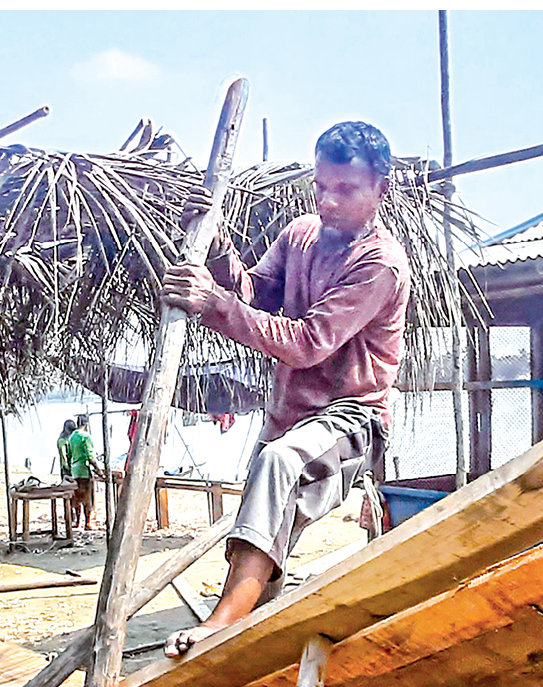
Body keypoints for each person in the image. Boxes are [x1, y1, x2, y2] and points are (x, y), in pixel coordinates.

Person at [159, 120, 409, 656]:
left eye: (346, 189)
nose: (329, 201)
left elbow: (308, 342)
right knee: (265, 536)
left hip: (351, 421)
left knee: (276, 464)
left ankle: (222, 622)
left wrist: (213, 304)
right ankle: (243, 646)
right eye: (322, 186)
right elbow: (255, 291)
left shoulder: (379, 264)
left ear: (380, 189)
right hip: (290, 419)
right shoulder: (300, 236)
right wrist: (218, 247)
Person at [60, 415, 96, 531]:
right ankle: (88, 523)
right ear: (86, 424)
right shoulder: (86, 436)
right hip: (84, 470)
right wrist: (98, 469)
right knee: (87, 497)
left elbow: (69, 455)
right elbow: (90, 456)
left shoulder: (71, 437)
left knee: (77, 497)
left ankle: (78, 522)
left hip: (75, 471)